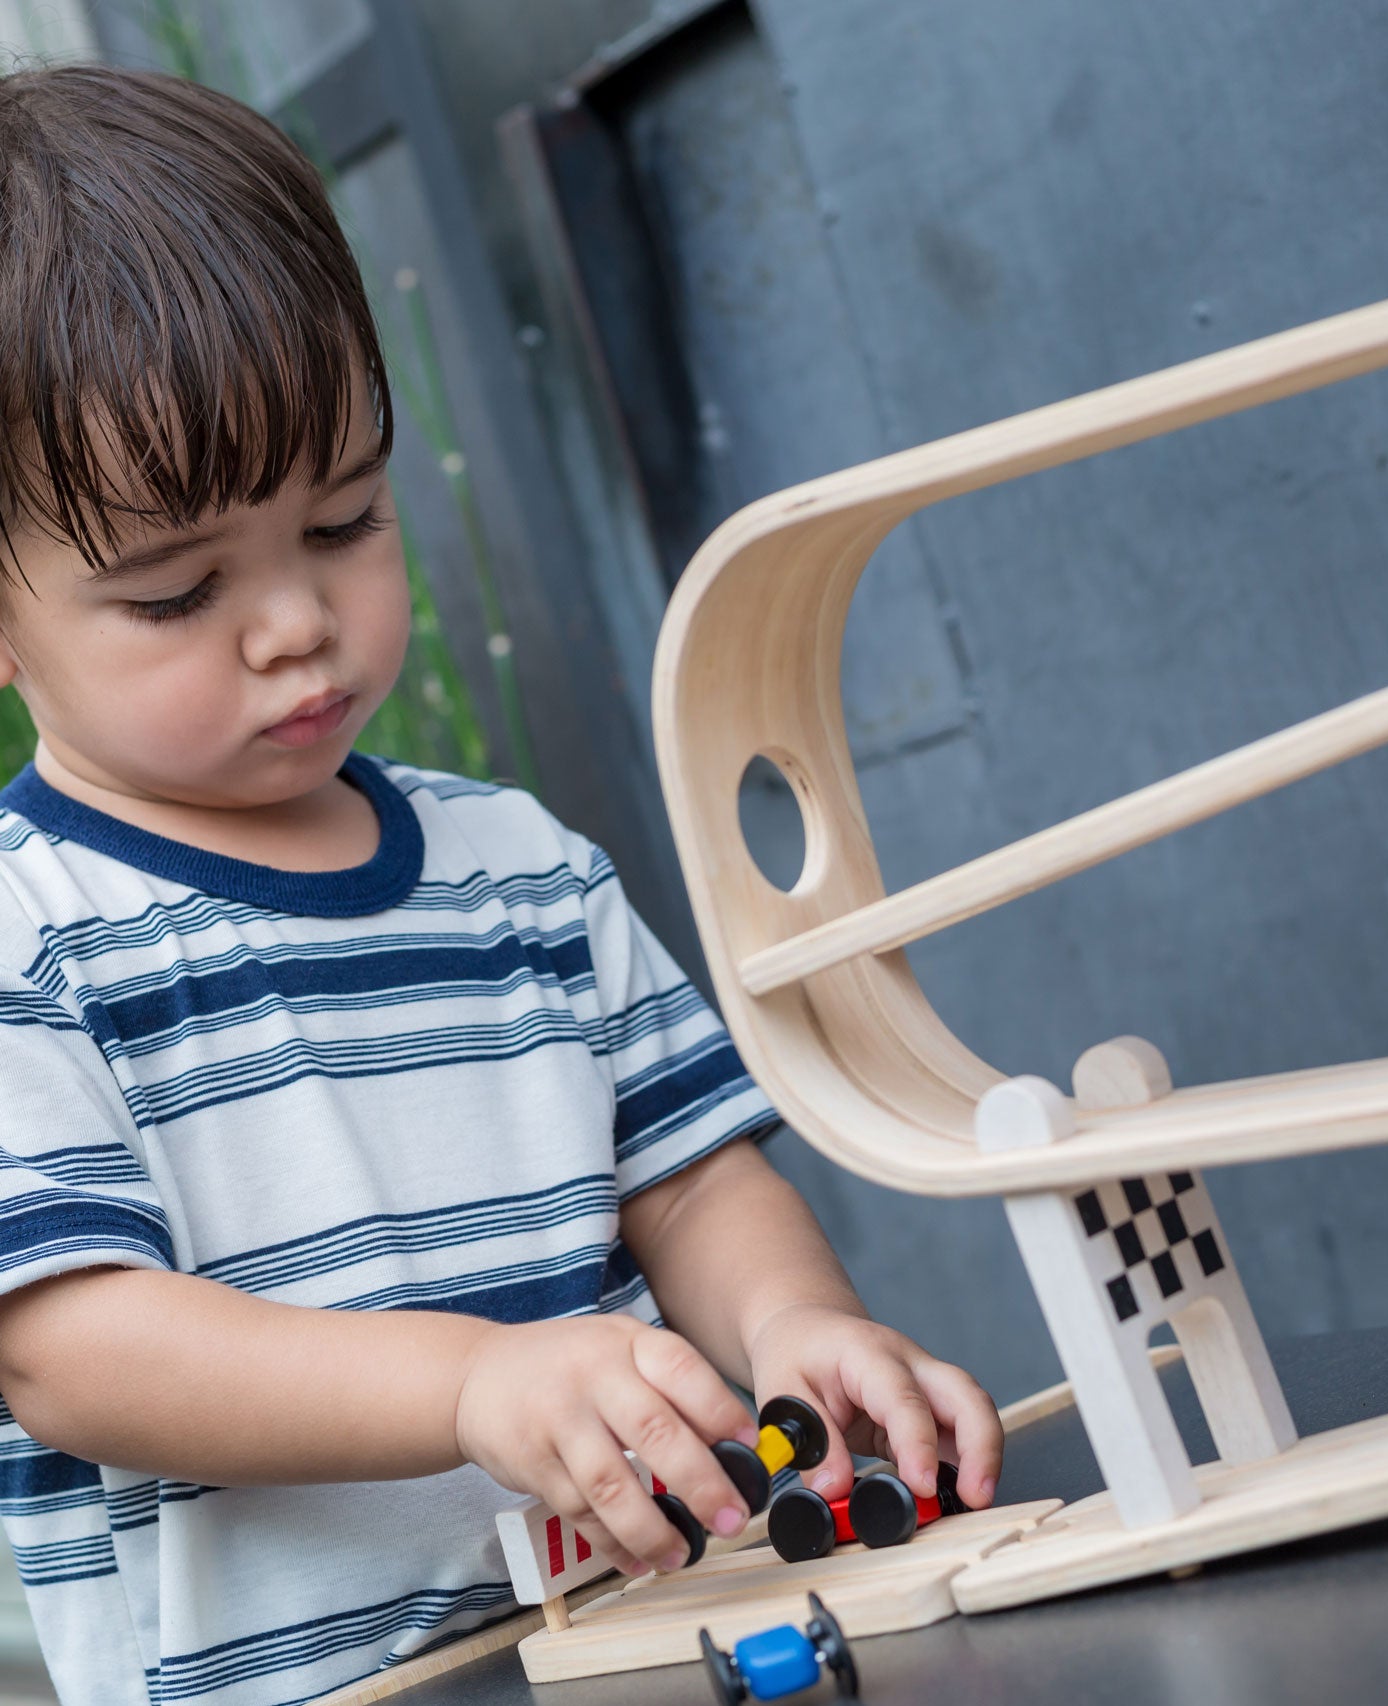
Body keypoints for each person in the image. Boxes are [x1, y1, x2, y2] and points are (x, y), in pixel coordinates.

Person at [0, 64, 1002, 1705]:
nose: (293, 624)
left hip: (655, 1632)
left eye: (344, 518)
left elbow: (687, 1183)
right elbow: (71, 1345)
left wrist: (795, 1327)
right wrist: (472, 1384)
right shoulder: (29, 940)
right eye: (180, 592)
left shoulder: (518, 866)